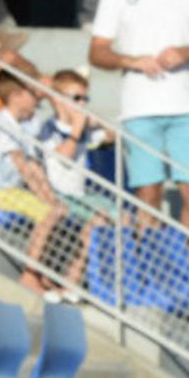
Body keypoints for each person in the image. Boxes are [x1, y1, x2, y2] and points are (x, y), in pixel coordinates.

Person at [88, 0, 189, 232]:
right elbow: (97, 51)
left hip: (188, 108)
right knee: (149, 194)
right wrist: (132, 61)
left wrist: (188, 52)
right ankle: (150, 262)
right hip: (140, 108)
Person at [0, 70, 66, 297]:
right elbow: (24, 168)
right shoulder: (2, 123)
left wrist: (51, 198)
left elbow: (34, 167)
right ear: (15, 96)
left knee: (56, 210)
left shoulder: (22, 125)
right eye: (31, 94)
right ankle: (29, 275)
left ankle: (42, 274)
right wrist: (48, 202)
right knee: (48, 213)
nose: (36, 99)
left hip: (9, 192)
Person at [37, 68, 118, 290]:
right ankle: (71, 280)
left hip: (80, 195)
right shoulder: (49, 128)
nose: (81, 104)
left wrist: (98, 124)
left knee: (122, 216)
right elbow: (64, 156)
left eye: (85, 98)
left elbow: (113, 136)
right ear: (58, 100)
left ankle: (105, 280)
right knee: (99, 219)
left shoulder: (82, 129)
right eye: (76, 98)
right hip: (58, 194)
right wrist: (78, 127)